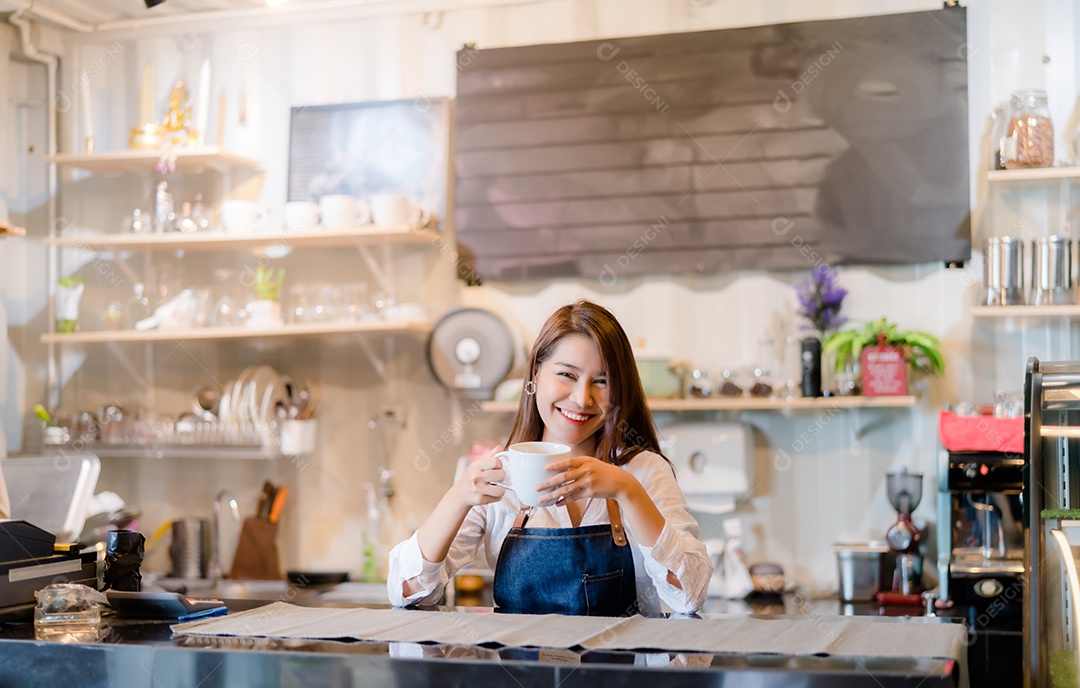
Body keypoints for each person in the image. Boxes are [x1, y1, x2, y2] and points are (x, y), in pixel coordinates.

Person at [387, 300, 711, 616]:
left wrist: (627, 490)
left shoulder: (642, 471)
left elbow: (690, 595)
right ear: (535, 376)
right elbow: (407, 592)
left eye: (602, 381)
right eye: (567, 375)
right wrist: (457, 497)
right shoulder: (501, 474)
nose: (582, 398)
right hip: (517, 670)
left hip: (618, 671)